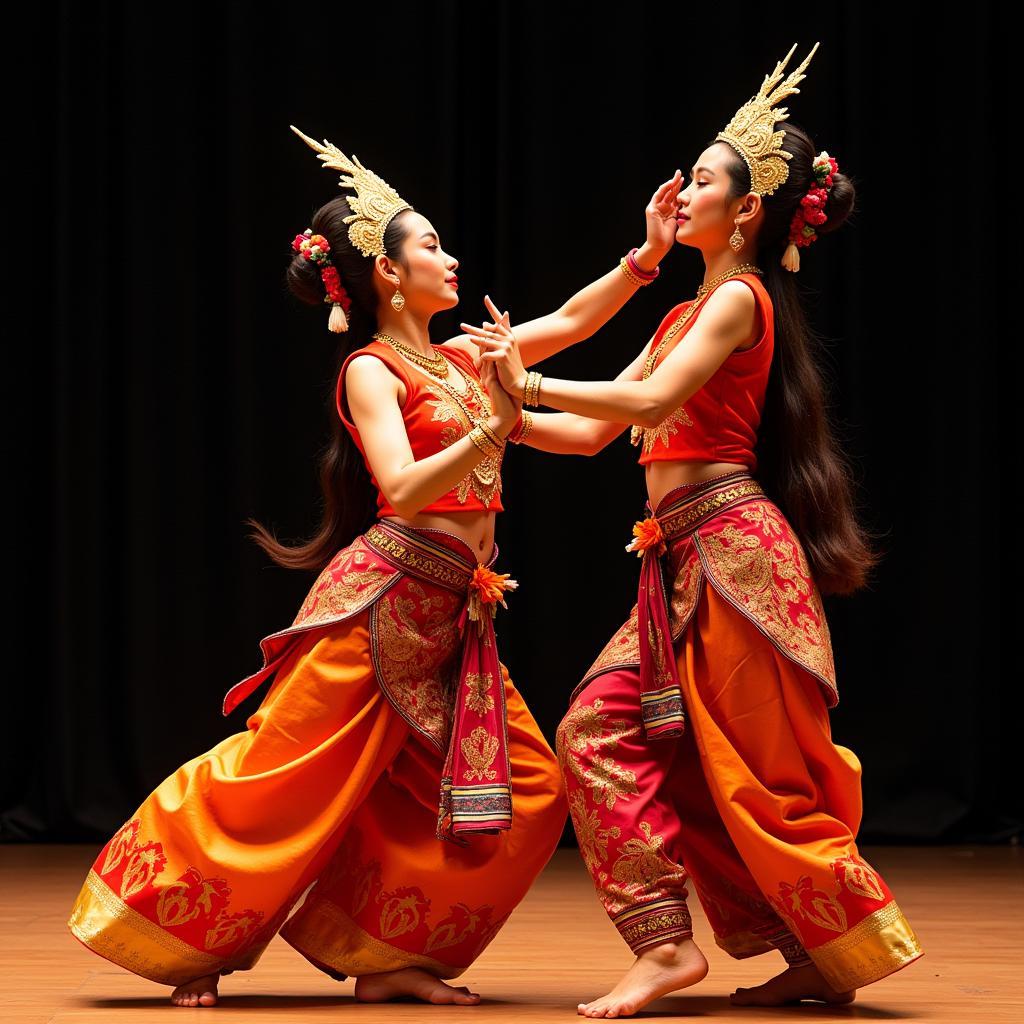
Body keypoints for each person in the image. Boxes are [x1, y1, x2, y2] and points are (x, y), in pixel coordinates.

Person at [464, 42, 923, 1017]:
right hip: (681, 559)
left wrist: (524, 379)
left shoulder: (735, 300)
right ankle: (693, 945)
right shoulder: (684, 306)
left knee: (748, 769)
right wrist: (501, 416)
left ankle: (800, 942)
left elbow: (647, 400)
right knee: (607, 733)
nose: (680, 189)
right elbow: (595, 432)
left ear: (747, 211)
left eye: (705, 178)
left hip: (733, 560)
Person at [66, 126, 570, 1009]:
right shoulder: (372, 370)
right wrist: (495, 428)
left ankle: (383, 955)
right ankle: (187, 935)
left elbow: (565, 325)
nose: (450, 259)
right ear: (387, 271)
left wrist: (643, 264)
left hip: (453, 618)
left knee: (525, 789)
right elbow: (403, 487)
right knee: (280, 780)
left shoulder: (456, 361)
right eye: (431, 246)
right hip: (378, 609)